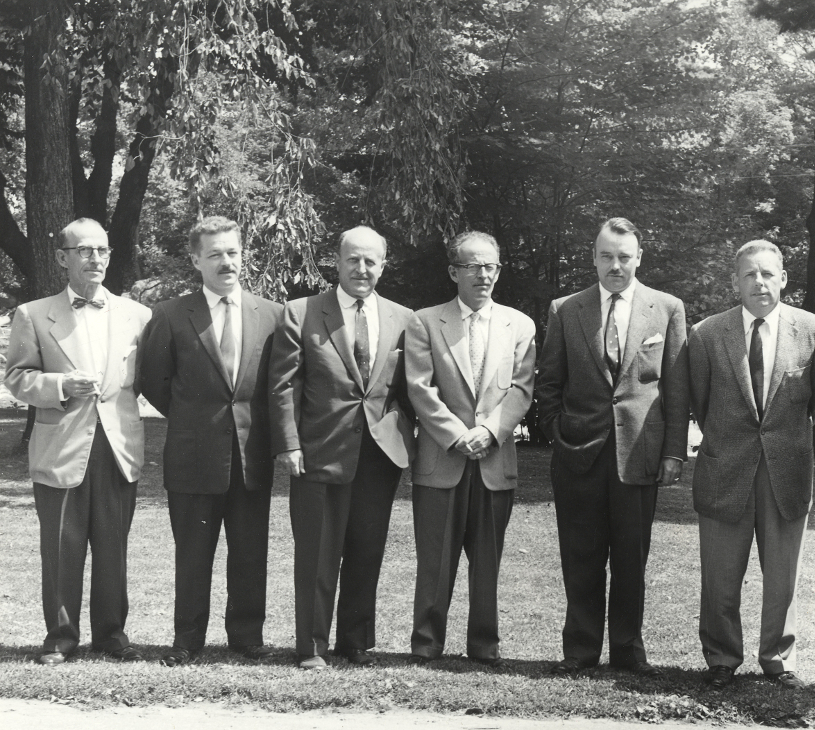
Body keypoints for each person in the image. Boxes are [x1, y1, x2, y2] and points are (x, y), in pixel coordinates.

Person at [536, 217, 688, 677]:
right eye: (607, 256)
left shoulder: (667, 308)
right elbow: (549, 382)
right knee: (580, 556)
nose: (615, 266)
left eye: (624, 257)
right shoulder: (567, 308)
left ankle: (627, 651)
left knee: (630, 561)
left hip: (639, 455)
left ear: (639, 258)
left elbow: (677, 388)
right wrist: (558, 431)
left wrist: (673, 452)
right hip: (578, 453)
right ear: (594, 258)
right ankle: (580, 651)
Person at [5, 218, 151, 665]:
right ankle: (60, 637)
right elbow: (16, 377)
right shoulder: (33, 313)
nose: (96, 259)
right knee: (62, 547)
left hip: (118, 446)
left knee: (113, 546)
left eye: (102, 250)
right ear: (62, 258)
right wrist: (62, 385)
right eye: (84, 250)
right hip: (61, 446)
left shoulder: (139, 315)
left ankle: (111, 634)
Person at [269, 225, 414, 670]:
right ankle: (311, 646)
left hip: (379, 453)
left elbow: (410, 391)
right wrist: (289, 444)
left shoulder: (404, 318)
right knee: (317, 553)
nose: (362, 269)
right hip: (318, 451)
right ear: (337, 260)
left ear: (383, 265)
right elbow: (282, 386)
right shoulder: (302, 312)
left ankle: (356, 643)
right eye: (353, 259)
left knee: (367, 550)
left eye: (371, 261)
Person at [139, 216, 282, 667]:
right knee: (193, 555)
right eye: (215, 253)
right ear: (196, 259)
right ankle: (187, 639)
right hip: (193, 455)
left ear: (243, 255)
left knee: (249, 552)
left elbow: (276, 385)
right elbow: (154, 381)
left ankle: (246, 636)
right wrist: (194, 418)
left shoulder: (272, 314)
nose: (226, 261)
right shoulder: (169, 314)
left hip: (250, 455)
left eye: (233, 252)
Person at [688, 240, 815, 691]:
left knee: (783, 574)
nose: (759, 282)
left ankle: (778, 658)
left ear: (783, 278)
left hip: (786, 468)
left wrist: (784, 434)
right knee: (720, 574)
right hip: (724, 465)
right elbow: (699, 399)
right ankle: (721, 658)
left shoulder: (814, 331)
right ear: (735, 281)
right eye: (749, 274)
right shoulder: (708, 333)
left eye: (768, 273)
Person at [404, 231, 536, 667]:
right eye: (473, 266)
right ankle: (426, 645)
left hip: (495, 460)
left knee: (488, 564)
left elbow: (521, 390)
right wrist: (458, 435)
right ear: (453, 272)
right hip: (442, 459)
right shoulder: (425, 321)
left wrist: (491, 431)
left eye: (491, 266)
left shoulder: (519, 324)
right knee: (435, 563)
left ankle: (484, 647)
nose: (483, 275)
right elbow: (419, 388)